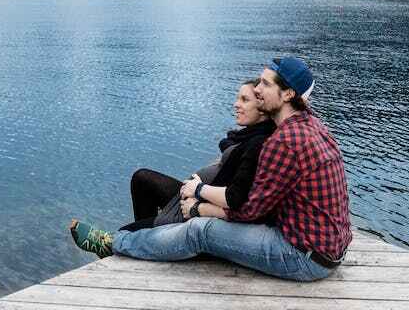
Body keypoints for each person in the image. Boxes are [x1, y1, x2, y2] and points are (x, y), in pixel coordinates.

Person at [70, 56, 352, 282]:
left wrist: (199, 208)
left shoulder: (285, 141)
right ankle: (133, 244)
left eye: (265, 84)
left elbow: (248, 210)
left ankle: (113, 244)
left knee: (200, 232)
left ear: (288, 93)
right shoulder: (310, 124)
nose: (257, 89)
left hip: (301, 256)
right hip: (325, 247)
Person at [119, 79, 276, 232]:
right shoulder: (248, 137)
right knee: (141, 178)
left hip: (197, 208)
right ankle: (148, 235)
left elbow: (236, 197)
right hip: (195, 197)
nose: (236, 104)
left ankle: (147, 236)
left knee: (124, 233)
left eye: (244, 100)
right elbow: (230, 149)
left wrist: (198, 190)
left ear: (262, 108)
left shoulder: (257, 144)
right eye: (238, 98)